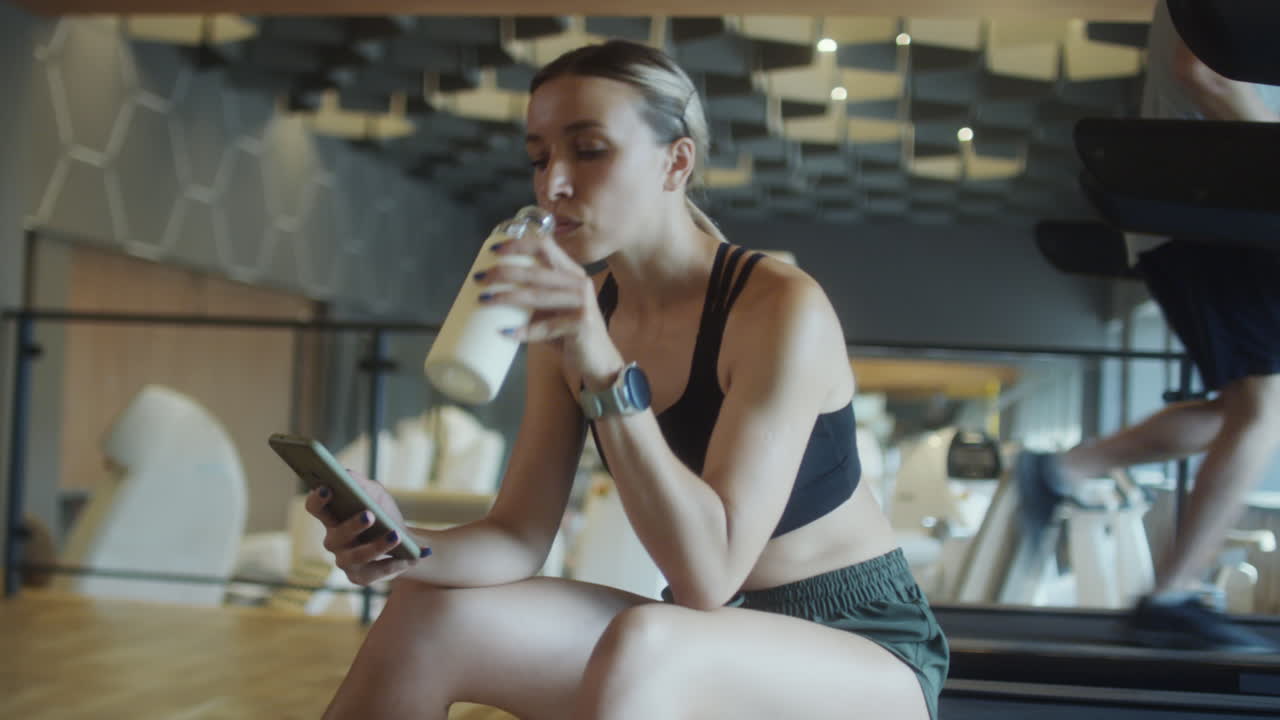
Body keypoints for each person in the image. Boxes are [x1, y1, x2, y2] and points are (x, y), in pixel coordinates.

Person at [306, 39, 949, 720]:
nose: (553, 183)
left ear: (676, 161)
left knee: (649, 642)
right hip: (702, 633)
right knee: (426, 614)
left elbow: (708, 574)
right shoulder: (572, 316)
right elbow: (519, 533)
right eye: (538, 157)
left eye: (588, 150)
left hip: (858, 645)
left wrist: (602, 362)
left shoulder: (779, 308)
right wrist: (405, 548)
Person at [1018, 0, 1280, 653]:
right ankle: (1170, 598)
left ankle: (1065, 470)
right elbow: (1204, 74)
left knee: (1245, 409)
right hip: (1211, 214)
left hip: (1216, 217)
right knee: (1261, 406)